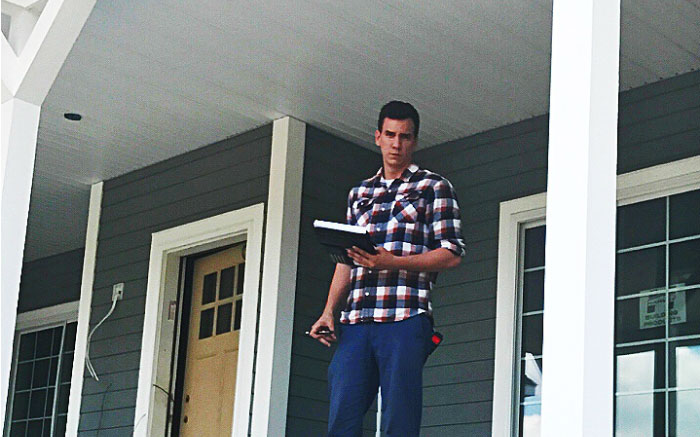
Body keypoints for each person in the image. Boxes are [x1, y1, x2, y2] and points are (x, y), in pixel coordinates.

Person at [309, 101, 466, 436]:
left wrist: (392, 262)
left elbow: (451, 253)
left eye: (405, 136)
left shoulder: (433, 187)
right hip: (356, 323)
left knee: (399, 421)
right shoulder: (359, 194)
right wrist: (328, 311)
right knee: (342, 419)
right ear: (377, 137)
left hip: (405, 319)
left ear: (415, 141)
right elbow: (346, 260)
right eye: (391, 135)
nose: (397, 144)